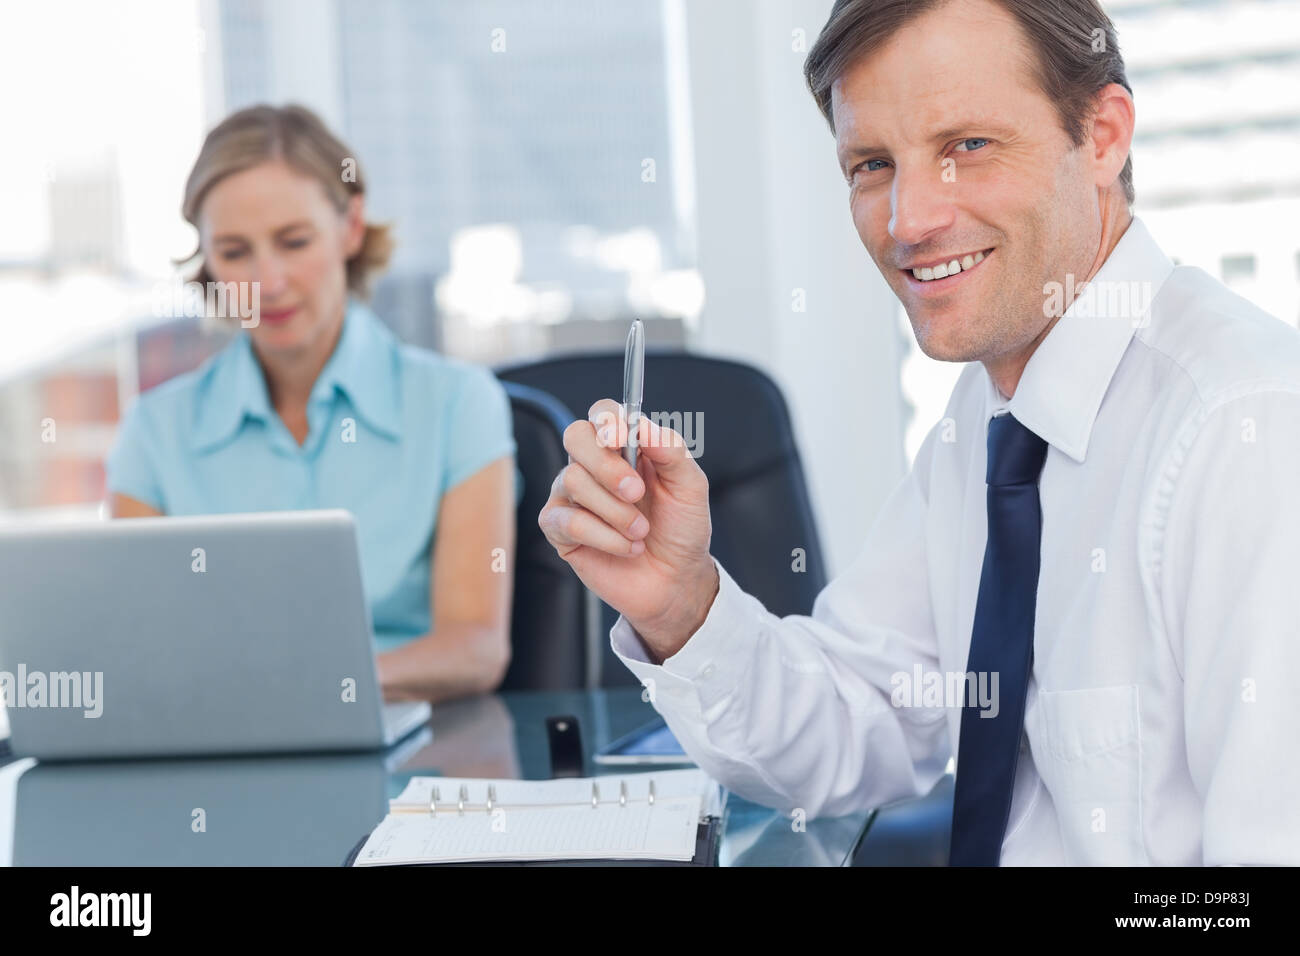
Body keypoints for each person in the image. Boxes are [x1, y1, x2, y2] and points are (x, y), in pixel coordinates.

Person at [538, 0, 1300, 865]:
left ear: (1102, 135)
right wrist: (678, 604)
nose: (907, 220)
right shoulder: (993, 414)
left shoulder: (1247, 432)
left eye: (966, 146)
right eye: (871, 163)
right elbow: (865, 717)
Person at [106, 105, 519, 705]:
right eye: (234, 251)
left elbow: (476, 647)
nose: (266, 282)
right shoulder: (154, 431)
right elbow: (136, 643)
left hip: (412, 758)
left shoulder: (457, 404)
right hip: (219, 757)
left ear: (351, 227)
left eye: (293, 241)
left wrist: (313, 692)